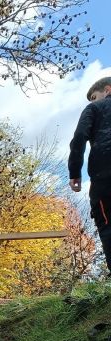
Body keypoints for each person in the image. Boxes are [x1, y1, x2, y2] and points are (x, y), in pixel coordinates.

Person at [69, 76, 111, 273]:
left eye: (94, 96)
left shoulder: (95, 109)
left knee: (108, 222)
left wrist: (74, 172)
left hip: (105, 174)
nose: (93, 101)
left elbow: (79, 138)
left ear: (107, 90)